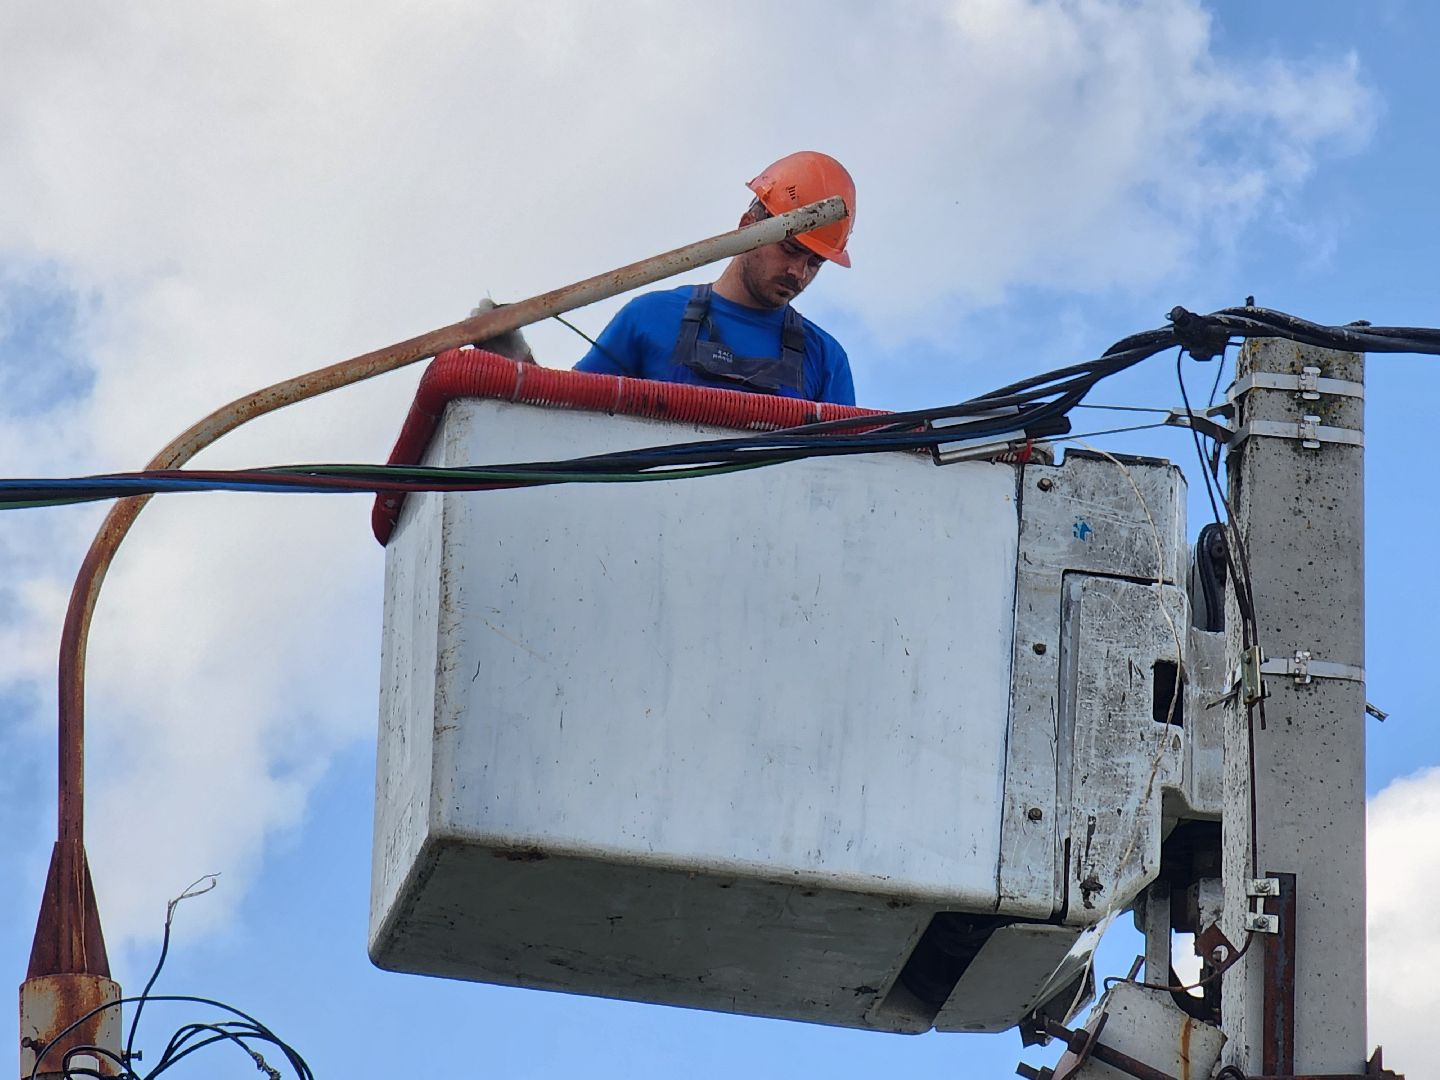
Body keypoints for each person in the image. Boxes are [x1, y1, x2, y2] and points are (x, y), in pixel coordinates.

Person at [572, 152, 857, 405]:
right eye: (789, 248)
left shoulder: (826, 360)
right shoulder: (648, 318)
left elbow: (845, 465)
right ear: (748, 226)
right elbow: (569, 419)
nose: (798, 272)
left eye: (815, 262)